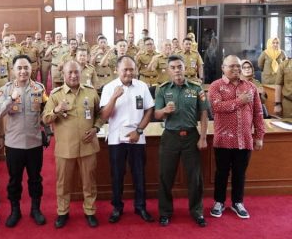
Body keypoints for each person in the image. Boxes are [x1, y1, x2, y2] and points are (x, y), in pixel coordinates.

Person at [42, 60, 103, 228]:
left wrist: (96, 128)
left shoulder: (91, 93)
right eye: (70, 73)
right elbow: (45, 118)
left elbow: (100, 114)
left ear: (81, 72)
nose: (74, 75)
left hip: (88, 146)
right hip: (65, 148)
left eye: (76, 72)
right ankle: (63, 212)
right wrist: (56, 110)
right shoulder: (55, 95)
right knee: (63, 183)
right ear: (64, 75)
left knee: (89, 182)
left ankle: (90, 211)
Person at [154, 55, 208, 227]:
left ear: (185, 68)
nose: (177, 70)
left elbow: (204, 114)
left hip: (191, 136)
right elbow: (156, 114)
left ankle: (197, 212)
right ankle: (165, 212)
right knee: (165, 177)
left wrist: (203, 137)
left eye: (179, 67)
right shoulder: (162, 89)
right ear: (169, 70)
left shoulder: (196, 88)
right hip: (170, 137)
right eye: (173, 67)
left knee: (195, 178)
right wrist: (164, 110)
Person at [0, 55, 48, 227]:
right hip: (14, 144)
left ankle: (35, 209)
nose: (23, 71)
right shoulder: (6, 89)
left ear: (31, 69)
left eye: (26, 67)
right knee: (14, 180)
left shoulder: (39, 88)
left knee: (35, 179)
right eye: (19, 68)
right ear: (13, 70)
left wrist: (47, 131)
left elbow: (45, 112)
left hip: (34, 143)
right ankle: (15, 210)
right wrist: (11, 99)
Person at [208, 55, 265, 219]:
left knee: (240, 173)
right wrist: (239, 101)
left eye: (238, 66)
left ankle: (237, 202)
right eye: (232, 66)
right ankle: (219, 202)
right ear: (223, 67)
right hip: (223, 139)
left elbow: (258, 113)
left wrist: (259, 135)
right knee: (222, 173)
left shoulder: (251, 87)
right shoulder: (216, 86)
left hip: (245, 138)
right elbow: (216, 107)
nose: (236, 69)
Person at [100, 56, 155, 224]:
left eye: (132, 69)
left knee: (139, 173)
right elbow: (103, 116)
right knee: (117, 174)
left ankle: (141, 207)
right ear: (117, 70)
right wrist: (114, 98)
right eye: (125, 69)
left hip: (137, 137)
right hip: (116, 139)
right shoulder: (109, 88)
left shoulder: (142, 86)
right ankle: (117, 207)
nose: (129, 73)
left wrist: (138, 131)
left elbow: (149, 110)